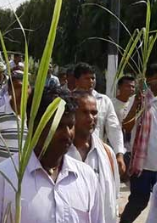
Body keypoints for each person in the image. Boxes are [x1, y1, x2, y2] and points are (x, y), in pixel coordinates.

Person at [0, 87, 103, 223]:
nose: (67, 133)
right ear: (33, 126)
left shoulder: (87, 178)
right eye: (58, 126)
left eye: (70, 125)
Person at [120, 63, 157, 223]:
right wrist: (137, 104)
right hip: (143, 166)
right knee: (138, 202)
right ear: (148, 79)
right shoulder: (138, 101)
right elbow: (126, 126)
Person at [67, 90, 120, 223]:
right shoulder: (58, 153)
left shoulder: (107, 153)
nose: (91, 118)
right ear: (72, 115)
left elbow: (113, 198)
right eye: (84, 112)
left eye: (94, 112)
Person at [71, 63, 126, 177]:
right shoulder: (68, 99)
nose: (91, 81)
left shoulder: (104, 101)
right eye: (87, 78)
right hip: (71, 153)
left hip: (96, 154)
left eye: (93, 78)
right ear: (76, 81)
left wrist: (119, 154)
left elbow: (114, 129)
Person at [113, 75, 136, 152]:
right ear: (119, 87)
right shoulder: (111, 103)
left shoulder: (135, 103)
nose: (131, 89)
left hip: (132, 147)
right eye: (127, 86)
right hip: (116, 146)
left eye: (133, 87)